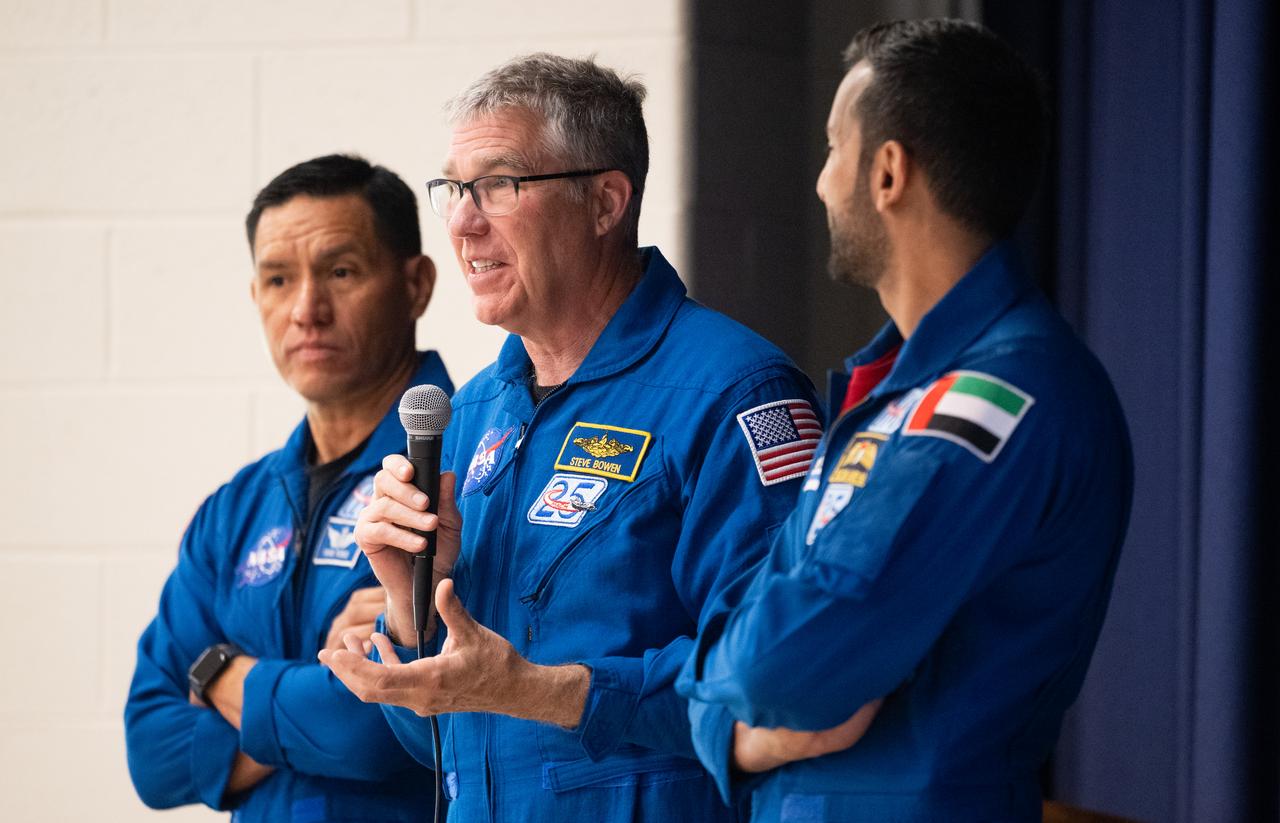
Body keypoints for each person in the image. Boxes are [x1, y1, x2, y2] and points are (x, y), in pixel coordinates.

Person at [319, 54, 821, 822]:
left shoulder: (734, 392)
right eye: (454, 189)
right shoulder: (477, 409)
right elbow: (447, 741)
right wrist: (407, 606)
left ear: (605, 202)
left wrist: (542, 690)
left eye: (499, 185)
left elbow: (775, 684)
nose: (461, 221)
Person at [677, 19, 1134, 823]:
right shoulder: (890, 387)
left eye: (833, 148)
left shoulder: (1001, 393)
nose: (821, 182)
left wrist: (740, 700)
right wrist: (741, 731)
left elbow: (784, 665)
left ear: (888, 171)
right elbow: (745, 647)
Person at [124, 154, 453, 820]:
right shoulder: (236, 509)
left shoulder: (469, 469)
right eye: (278, 279)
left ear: (415, 284)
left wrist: (218, 674)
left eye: (340, 271)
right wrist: (312, 696)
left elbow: (373, 731)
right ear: (256, 297)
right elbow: (151, 751)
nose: (307, 309)